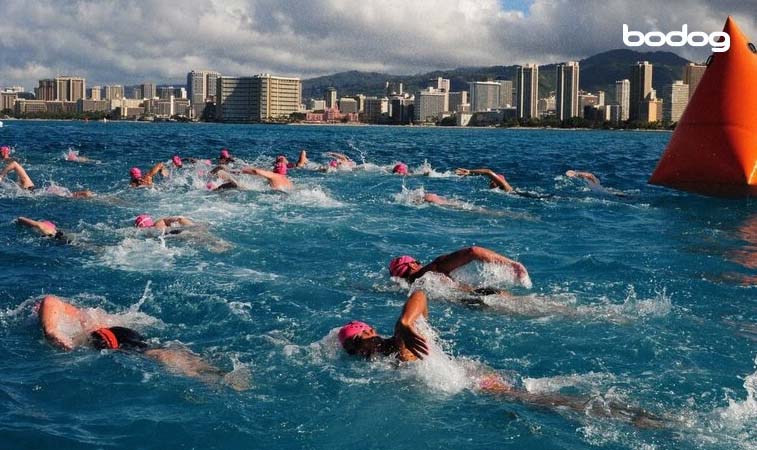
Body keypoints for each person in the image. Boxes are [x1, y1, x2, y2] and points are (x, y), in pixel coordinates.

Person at [338, 290, 666, 429]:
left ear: (369, 334)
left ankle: (632, 417)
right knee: (535, 400)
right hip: (467, 374)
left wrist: (405, 322)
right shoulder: (383, 358)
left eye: (357, 343)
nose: (358, 351)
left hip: (476, 382)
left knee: (540, 402)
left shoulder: (396, 343)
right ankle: (634, 415)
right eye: (353, 349)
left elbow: (420, 295)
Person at [37, 295, 249, 391]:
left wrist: (51, 330)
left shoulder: (74, 316)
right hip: (118, 333)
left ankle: (207, 379)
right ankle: (216, 372)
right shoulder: (95, 315)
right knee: (155, 351)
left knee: (152, 353)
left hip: (108, 336)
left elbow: (49, 300)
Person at [388, 246, 528, 285]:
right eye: (417, 262)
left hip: (465, 304)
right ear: (412, 266)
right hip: (481, 297)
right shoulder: (433, 268)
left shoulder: (408, 288)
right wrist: (512, 265)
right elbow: (472, 251)